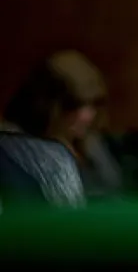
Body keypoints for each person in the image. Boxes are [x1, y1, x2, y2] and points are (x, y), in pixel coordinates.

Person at [0, 49, 122, 211]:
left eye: (93, 104)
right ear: (48, 105)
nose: (86, 116)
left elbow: (112, 195)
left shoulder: (92, 147)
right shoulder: (13, 150)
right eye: (72, 105)